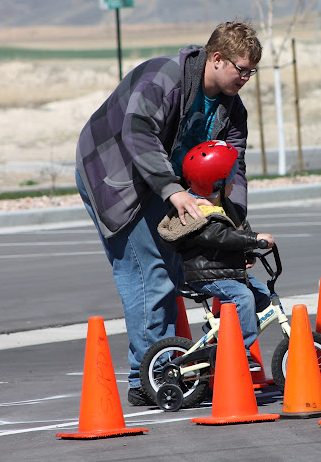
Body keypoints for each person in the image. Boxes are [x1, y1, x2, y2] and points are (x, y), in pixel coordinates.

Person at [75, 21, 261, 406]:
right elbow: (138, 132)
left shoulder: (232, 110)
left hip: (163, 181)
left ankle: (180, 365)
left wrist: (234, 222)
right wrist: (173, 190)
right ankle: (146, 378)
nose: (246, 78)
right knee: (149, 273)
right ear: (216, 58)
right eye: (240, 69)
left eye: (251, 71)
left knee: (187, 263)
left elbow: (233, 168)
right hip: (114, 174)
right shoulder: (165, 78)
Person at [157, 140, 273, 368]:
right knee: (243, 297)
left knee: (261, 294)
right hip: (206, 276)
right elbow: (221, 236)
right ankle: (240, 348)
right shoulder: (198, 213)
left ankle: (218, 333)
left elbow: (234, 232)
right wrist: (254, 239)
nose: (234, 182)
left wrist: (246, 253)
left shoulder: (222, 204)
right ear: (216, 183)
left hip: (224, 271)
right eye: (230, 179)